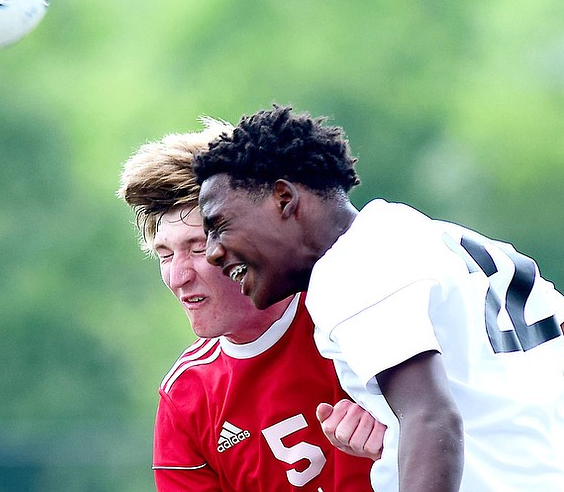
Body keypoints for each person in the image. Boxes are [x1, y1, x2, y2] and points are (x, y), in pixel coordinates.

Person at [192, 105, 564, 492]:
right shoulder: (452, 241)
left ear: (283, 198)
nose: (212, 253)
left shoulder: (352, 266)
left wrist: (426, 437)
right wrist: (503, 432)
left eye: (218, 225)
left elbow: (431, 418)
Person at [117, 119, 385, 491]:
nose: (178, 277)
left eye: (197, 248)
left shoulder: (359, 311)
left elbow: (461, 423)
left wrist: (396, 444)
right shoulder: (187, 397)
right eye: (165, 255)